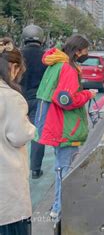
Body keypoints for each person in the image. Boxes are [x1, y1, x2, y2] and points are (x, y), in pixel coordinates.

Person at [35, 34, 96, 220]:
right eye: (85, 50)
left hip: (53, 123)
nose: (87, 53)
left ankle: (58, 208)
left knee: (61, 168)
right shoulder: (67, 68)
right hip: (65, 127)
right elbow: (65, 99)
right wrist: (87, 94)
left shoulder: (56, 63)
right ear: (78, 50)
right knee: (65, 170)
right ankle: (60, 210)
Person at [0, 38, 36, 234]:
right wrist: (32, 128)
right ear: (12, 67)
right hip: (6, 190)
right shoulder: (10, 97)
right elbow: (19, 135)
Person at [20, 24, 48, 179]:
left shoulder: (16, 55)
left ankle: (18, 167)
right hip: (39, 100)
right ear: (42, 39)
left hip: (18, 98)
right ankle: (35, 169)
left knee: (15, 133)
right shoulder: (46, 57)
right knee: (38, 135)